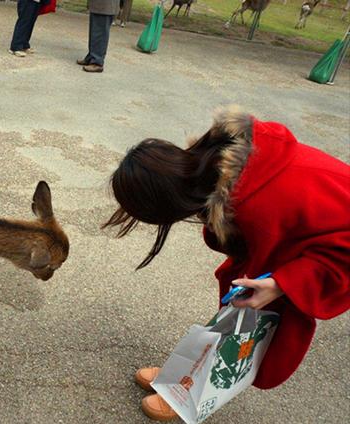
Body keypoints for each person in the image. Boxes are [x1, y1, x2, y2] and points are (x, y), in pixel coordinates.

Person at [103, 106, 350, 421]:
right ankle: (182, 374)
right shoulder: (217, 160)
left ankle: (190, 392)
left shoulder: (256, 206)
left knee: (243, 324)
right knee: (235, 312)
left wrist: (281, 283)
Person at [77, 0, 120, 73]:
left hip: (106, 5)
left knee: (100, 32)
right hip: (98, 4)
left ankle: (97, 62)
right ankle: (91, 57)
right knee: (95, 30)